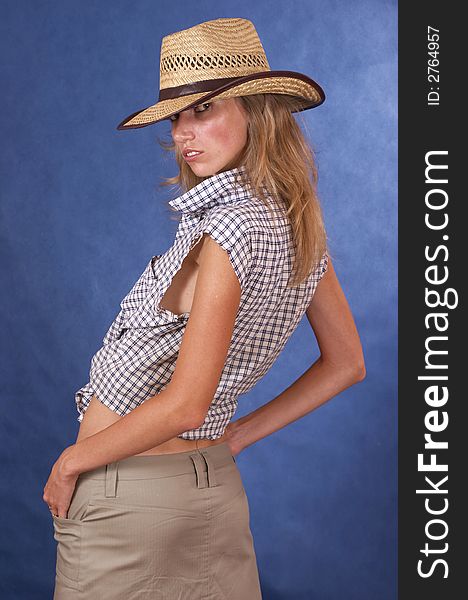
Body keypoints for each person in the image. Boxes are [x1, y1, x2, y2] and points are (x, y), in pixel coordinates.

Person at [43, 17, 366, 600]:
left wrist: (72, 461)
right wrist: (238, 436)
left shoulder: (225, 231)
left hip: (129, 504)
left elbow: (188, 403)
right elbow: (348, 363)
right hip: (213, 492)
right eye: (176, 116)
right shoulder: (296, 222)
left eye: (203, 111)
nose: (183, 135)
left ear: (257, 109)